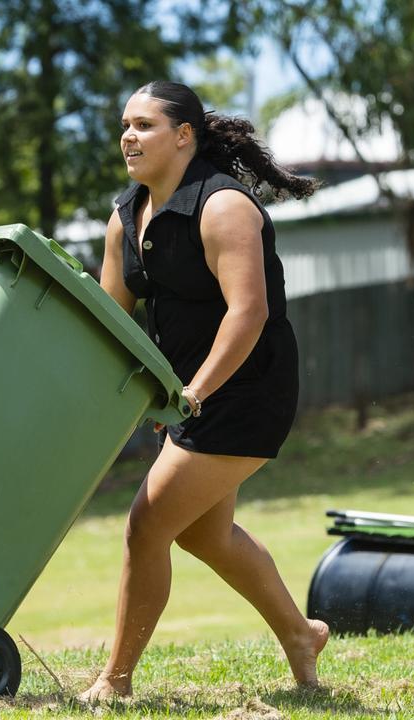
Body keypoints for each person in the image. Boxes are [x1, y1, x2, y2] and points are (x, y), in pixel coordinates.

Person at [80, 81, 328, 702]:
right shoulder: (124, 217)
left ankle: (115, 682)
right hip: (187, 393)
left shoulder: (223, 208)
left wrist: (191, 393)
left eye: (144, 125)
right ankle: (301, 635)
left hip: (246, 387)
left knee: (146, 526)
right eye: (124, 126)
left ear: (183, 135)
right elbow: (113, 324)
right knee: (202, 533)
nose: (128, 137)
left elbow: (248, 314)